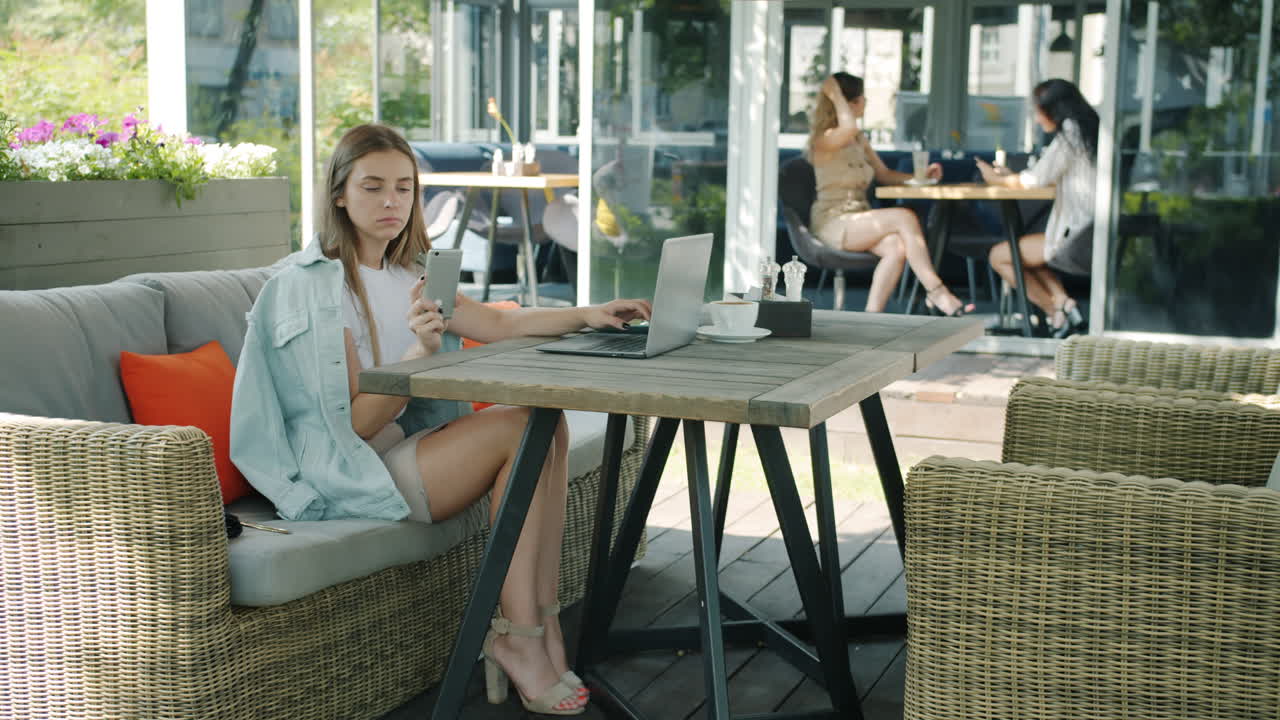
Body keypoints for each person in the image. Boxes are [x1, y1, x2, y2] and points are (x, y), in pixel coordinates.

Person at [230, 124, 651, 716]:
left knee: (546, 425)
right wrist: (419, 354)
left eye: (404, 188)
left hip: (405, 448)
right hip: (351, 470)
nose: (391, 202)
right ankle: (515, 636)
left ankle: (540, 622)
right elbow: (353, 428)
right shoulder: (310, 290)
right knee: (520, 427)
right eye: (373, 187)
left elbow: (501, 324)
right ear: (340, 195)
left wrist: (589, 314)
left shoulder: (411, 273)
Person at [808, 72, 972, 315]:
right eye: (862, 97)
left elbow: (884, 174)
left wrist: (920, 177)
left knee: (895, 247)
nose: (866, 102)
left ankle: (871, 318)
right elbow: (848, 126)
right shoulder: (824, 140)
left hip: (859, 218)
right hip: (833, 221)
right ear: (849, 104)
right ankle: (937, 292)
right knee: (904, 217)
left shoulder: (858, 139)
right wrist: (834, 93)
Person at [977, 78, 1098, 338]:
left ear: (1053, 109)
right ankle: (1065, 304)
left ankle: (1056, 314)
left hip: (1076, 236)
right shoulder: (1089, 131)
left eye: (1038, 111)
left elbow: (1034, 180)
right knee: (1023, 252)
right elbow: (1049, 174)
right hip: (1088, 231)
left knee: (1000, 256)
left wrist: (997, 180)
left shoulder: (1070, 135)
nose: (1036, 118)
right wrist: (1012, 177)